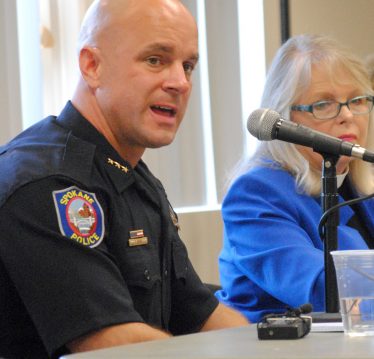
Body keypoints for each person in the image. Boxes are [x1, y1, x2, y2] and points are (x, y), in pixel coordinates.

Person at [0, 1, 248, 358]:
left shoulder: (135, 179)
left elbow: (200, 314)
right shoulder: (45, 182)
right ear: (92, 66)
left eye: (188, 65)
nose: (180, 82)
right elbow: (110, 344)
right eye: (155, 60)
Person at [215, 34, 374, 323]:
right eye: (324, 104)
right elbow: (323, 290)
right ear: (285, 118)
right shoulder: (254, 194)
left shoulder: (359, 184)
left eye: (358, 99)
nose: (348, 115)